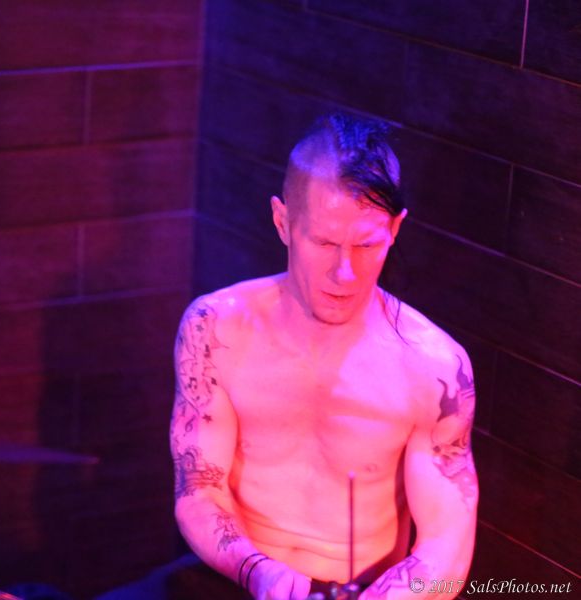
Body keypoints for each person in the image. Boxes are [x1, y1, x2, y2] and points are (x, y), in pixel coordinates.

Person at [170, 113, 478, 600]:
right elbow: (198, 489)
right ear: (282, 222)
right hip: (236, 576)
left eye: (367, 244)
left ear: (395, 228)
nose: (345, 273)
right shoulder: (216, 329)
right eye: (324, 242)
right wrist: (259, 573)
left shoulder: (434, 367)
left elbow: (448, 543)